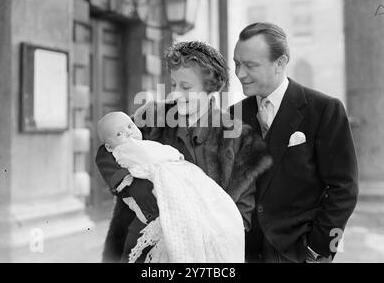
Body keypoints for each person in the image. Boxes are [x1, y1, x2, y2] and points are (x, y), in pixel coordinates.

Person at [95, 41, 272, 262]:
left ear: (210, 87)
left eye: (186, 87)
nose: (176, 95)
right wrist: (132, 185)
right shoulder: (152, 117)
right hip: (140, 248)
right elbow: (108, 149)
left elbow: (240, 215)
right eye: (173, 85)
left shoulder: (238, 139)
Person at [231, 22, 359, 263]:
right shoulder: (232, 116)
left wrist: (321, 248)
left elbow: (345, 189)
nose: (239, 74)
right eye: (237, 64)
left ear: (280, 63)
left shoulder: (325, 110)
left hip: (299, 253)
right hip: (242, 253)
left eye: (249, 65)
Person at [96, 111, 245, 263]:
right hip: (151, 216)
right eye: (175, 85)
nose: (128, 132)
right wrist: (139, 187)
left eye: (186, 86)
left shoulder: (229, 126)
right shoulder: (157, 116)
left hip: (205, 215)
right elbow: (112, 149)